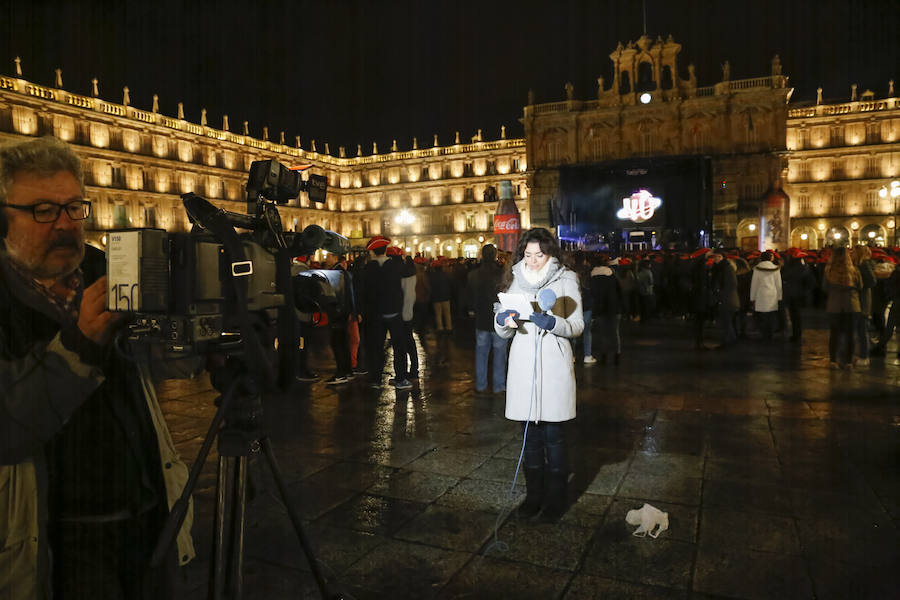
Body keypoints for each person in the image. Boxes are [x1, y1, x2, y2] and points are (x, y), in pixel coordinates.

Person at [0, 137, 194, 599]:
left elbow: (161, 364)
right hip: (56, 537)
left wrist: (192, 333)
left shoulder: (114, 269)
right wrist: (80, 344)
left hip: (147, 514)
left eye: (74, 207)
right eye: (43, 210)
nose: (65, 224)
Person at [494, 228, 583, 523]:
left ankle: (556, 501)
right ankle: (533, 497)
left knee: (554, 438)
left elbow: (576, 325)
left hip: (554, 367)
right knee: (529, 439)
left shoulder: (565, 279)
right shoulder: (515, 280)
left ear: (550, 254)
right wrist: (503, 320)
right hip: (522, 368)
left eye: (539, 255)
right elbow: (503, 329)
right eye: (528, 255)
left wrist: (554, 322)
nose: (533, 261)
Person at [360, 236, 411, 389]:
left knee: (376, 347)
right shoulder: (395, 266)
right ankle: (401, 378)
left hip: (376, 314)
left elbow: (364, 292)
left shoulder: (369, 269)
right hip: (394, 312)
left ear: (373, 252)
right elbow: (401, 289)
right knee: (398, 346)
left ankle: (375, 378)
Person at [466, 244, 507, 395]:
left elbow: (469, 296)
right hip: (498, 320)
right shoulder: (502, 274)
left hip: (481, 319)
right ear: (495, 255)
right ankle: (498, 385)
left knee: (481, 354)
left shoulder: (473, 274)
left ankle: (481, 384)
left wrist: (471, 310)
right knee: (499, 354)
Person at [824, 247, 862, 369]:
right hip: (851, 305)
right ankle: (848, 362)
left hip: (834, 305)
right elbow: (860, 286)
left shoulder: (829, 271)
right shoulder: (854, 271)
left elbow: (824, 287)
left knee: (834, 334)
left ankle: (833, 361)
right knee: (851, 334)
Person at [321, 251, 354, 385]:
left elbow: (335, 294)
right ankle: (347, 371)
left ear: (335, 257)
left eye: (328, 256)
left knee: (337, 343)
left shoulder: (336, 272)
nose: (326, 258)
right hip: (342, 312)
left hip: (338, 312)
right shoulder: (341, 271)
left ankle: (341, 372)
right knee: (343, 342)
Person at [589, 256, 623, 364]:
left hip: (599, 308)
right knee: (614, 332)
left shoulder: (592, 276)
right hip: (614, 307)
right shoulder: (612, 274)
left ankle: (603, 355)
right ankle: (617, 354)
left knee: (602, 334)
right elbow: (619, 291)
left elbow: (592, 294)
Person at [851, 246, 876, 366]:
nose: (852, 253)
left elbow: (872, 281)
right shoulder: (858, 265)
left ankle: (864, 356)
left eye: (854, 251)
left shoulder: (864, 265)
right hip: (859, 299)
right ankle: (860, 353)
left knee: (862, 328)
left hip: (863, 299)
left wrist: (860, 285)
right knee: (859, 328)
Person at [750, 251, 782, 340]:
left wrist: (752, 297)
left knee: (763, 315)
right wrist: (779, 296)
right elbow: (778, 284)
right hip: (772, 294)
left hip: (761, 294)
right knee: (771, 315)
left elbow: (754, 284)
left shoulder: (757, 268)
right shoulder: (776, 268)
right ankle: (770, 333)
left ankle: (764, 334)